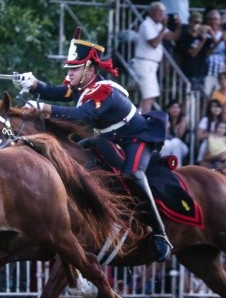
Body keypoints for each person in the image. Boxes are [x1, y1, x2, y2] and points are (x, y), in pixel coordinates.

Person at [15, 29, 172, 261]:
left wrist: (43, 108)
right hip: (109, 139)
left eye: (75, 69)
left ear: (90, 69)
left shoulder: (103, 91)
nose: (70, 74)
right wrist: (34, 84)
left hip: (136, 138)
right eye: (69, 69)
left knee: (134, 175)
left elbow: (81, 116)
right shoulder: (80, 87)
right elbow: (58, 92)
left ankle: (160, 234)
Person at [131, 1, 180, 113]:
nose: (161, 14)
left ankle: (142, 118)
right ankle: (143, 121)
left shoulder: (158, 25)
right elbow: (154, 43)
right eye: (159, 12)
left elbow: (173, 37)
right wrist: (163, 29)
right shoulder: (146, 24)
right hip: (144, 63)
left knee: (151, 95)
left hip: (152, 65)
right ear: (151, 12)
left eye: (163, 12)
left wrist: (178, 25)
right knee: (149, 95)